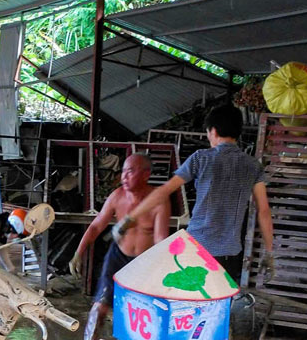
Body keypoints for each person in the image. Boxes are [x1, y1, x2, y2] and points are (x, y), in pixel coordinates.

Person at [117, 104, 275, 285]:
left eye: (208, 133)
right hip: (229, 254)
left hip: (196, 248)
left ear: (213, 131)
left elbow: (164, 191)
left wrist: (131, 217)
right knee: (218, 306)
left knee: (188, 305)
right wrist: (269, 252)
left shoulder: (201, 158)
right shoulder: (252, 165)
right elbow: (263, 211)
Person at [67, 154, 163, 340]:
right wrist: (79, 252)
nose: (124, 177)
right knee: (100, 305)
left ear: (146, 174)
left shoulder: (158, 200)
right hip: (117, 256)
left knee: (140, 310)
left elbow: (160, 239)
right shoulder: (117, 196)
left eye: (130, 171)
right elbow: (96, 226)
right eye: (123, 171)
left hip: (144, 262)